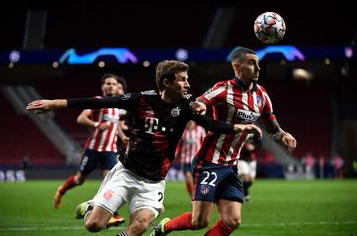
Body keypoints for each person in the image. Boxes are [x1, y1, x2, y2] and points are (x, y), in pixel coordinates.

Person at [27, 60, 262, 236]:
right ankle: (92, 205)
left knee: (139, 226)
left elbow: (210, 124)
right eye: (182, 79)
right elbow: (100, 102)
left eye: (187, 79)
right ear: (167, 83)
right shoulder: (140, 100)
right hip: (126, 173)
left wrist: (238, 128)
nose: (188, 84)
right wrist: (56, 103)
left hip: (154, 182)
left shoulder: (186, 106)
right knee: (93, 225)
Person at [151, 47, 297, 236]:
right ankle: (164, 227)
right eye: (252, 63)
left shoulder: (261, 94)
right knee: (199, 221)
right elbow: (202, 100)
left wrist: (283, 134)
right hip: (209, 163)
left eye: (258, 63)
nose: (258, 68)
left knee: (233, 220)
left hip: (231, 165)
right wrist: (200, 106)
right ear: (237, 66)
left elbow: (272, 126)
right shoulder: (224, 88)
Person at [52, 73, 128, 227]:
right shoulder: (97, 102)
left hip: (110, 150)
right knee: (79, 180)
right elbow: (81, 118)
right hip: (93, 149)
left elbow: (117, 124)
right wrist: (97, 125)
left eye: (113, 84)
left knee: (110, 183)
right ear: (103, 87)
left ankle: (112, 215)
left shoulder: (118, 107)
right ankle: (61, 190)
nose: (111, 86)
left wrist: (123, 136)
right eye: (108, 83)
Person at [175, 120, 206, 197]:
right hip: (185, 159)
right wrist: (176, 153)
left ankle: (199, 195)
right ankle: (192, 196)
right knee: (188, 177)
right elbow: (180, 144)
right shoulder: (183, 130)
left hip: (197, 159)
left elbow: (204, 143)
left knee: (197, 180)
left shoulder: (200, 130)